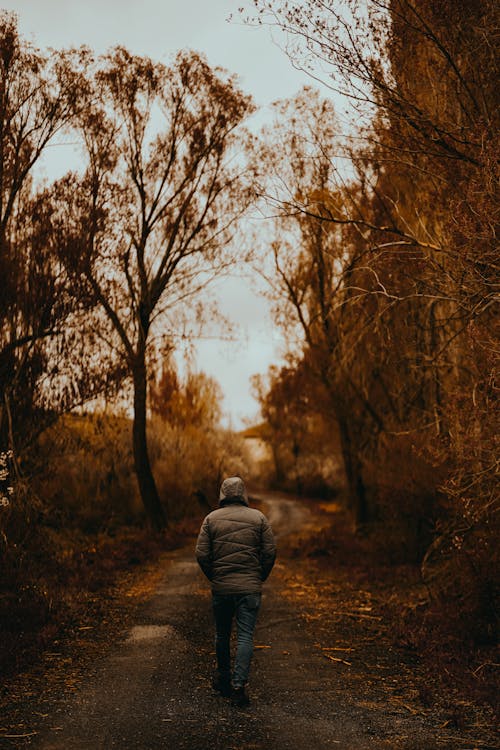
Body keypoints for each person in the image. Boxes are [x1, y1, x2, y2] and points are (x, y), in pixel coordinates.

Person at [195, 476, 276, 707]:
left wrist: (215, 576)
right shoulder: (258, 518)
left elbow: (201, 554)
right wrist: (258, 577)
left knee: (222, 634)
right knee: (244, 636)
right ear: (243, 494)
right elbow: (270, 552)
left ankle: (223, 678)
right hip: (249, 588)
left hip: (222, 588)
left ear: (222, 493)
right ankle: (238, 688)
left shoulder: (210, 519)